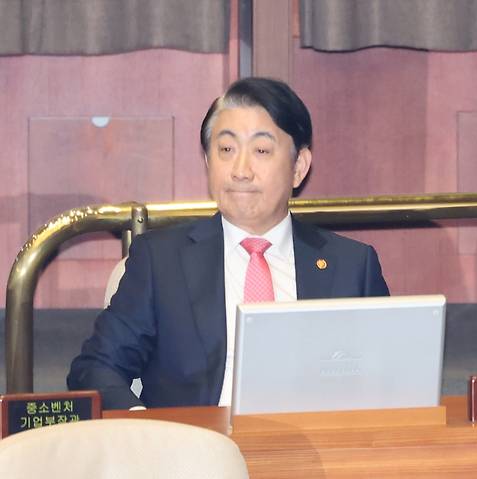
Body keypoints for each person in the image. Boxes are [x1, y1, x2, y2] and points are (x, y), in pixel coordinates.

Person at [67, 77, 389, 410]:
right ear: (208, 163)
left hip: (315, 453)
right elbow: (94, 369)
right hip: (196, 453)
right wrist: (149, 432)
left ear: (299, 167)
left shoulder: (352, 265)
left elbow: (390, 381)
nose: (240, 171)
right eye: (226, 150)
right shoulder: (161, 261)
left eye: (261, 151)